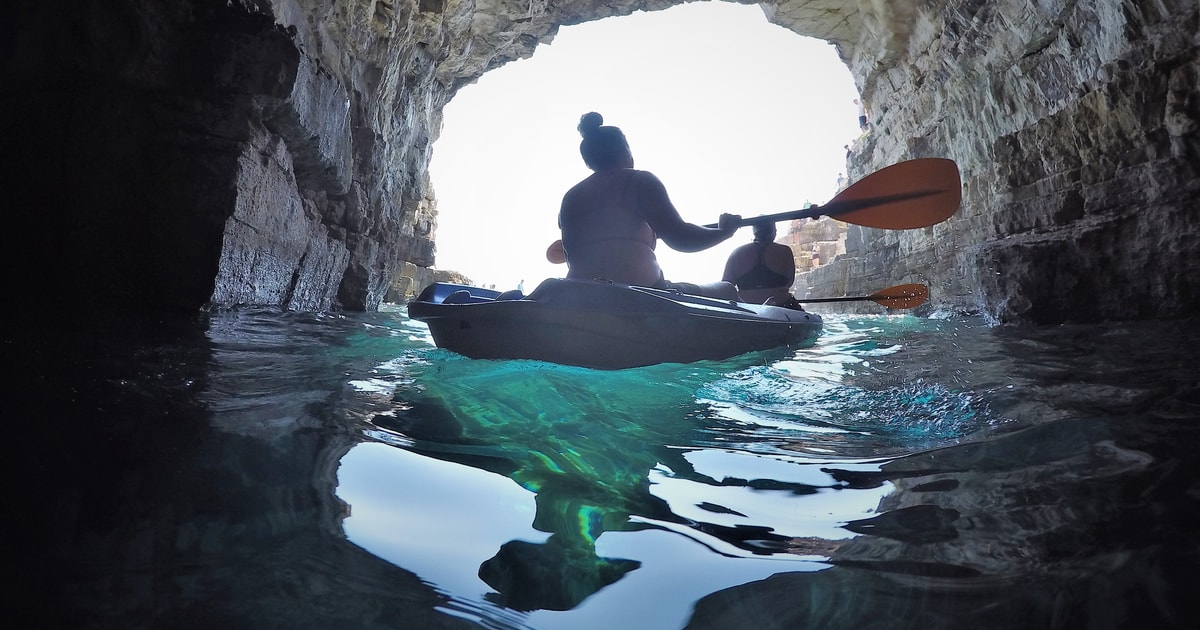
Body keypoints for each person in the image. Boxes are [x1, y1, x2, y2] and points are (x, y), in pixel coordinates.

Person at [557, 112, 741, 299]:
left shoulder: (570, 197)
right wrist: (724, 232)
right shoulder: (638, 180)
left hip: (579, 295)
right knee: (727, 289)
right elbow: (682, 238)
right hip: (642, 293)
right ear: (626, 151)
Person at [721, 219, 802, 308]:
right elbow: (790, 281)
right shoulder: (784, 251)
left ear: (754, 231)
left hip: (747, 309)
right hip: (782, 307)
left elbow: (725, 286)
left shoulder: (737, 253)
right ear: (773, 231)